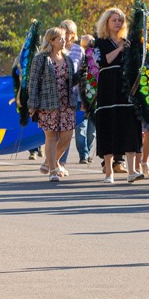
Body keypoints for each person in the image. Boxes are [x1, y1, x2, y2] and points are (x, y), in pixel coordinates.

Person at [92, 8, 143, 184]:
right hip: (108, 89)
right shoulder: (100, 42)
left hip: (125, 90)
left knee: (129, 126)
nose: (118, 23)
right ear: (107, 22)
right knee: (108, 127)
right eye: (114, 20)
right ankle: (108, 172)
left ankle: (131, 171)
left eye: (120, 20)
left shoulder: (127, 42)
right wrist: (120, 48)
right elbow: (103, 61)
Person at [27, 27, 77, 182]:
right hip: (48, 103)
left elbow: (72, 80)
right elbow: (33, 82)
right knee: (50, 136)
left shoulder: (68, 59)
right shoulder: (41, 59)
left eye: (64, 38)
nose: (64, 41)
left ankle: (49, 161)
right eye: (60, 38)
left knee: (67, 136)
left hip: (66, 102)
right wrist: (33, 103)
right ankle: (53, 170)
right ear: (51, 41)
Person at [64, 26, 95, 164]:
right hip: (70, 96)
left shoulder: (80, 51)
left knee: (91, 130)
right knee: (80, 127)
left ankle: (88, 150)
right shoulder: (56, 50)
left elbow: (85, 74)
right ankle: (84, 154)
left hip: (88, 94)